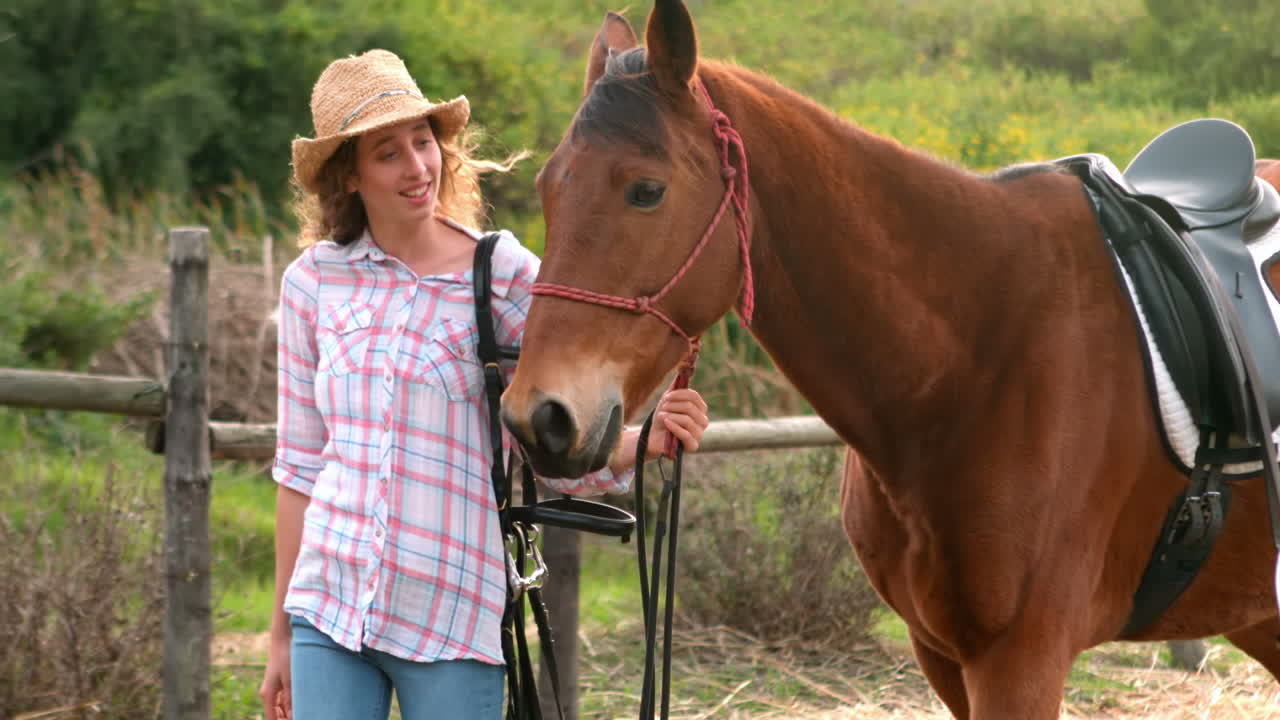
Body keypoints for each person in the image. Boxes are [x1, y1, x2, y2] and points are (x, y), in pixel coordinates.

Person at [260, 49, 710, 720]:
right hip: (329, 603)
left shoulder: (498, 275)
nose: (417, 167)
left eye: (424, 143)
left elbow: (556, 432)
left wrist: (645, 442)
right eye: (388, 154)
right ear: (349, 176)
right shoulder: (312, 283)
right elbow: (300, 471)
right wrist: (278, 639)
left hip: (450, 610)